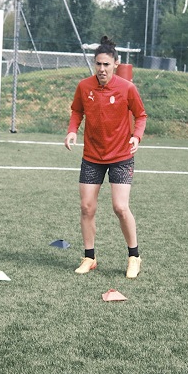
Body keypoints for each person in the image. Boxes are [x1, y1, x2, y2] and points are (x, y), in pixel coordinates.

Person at [64, 36, 147, 279]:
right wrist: (72, 131)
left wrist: (136, 137)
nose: (101, 69)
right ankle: (89, 257)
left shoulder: (127, 88)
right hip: (92, 155)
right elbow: (76, 111)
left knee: (120, 207)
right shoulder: (84, 87)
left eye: (106, 65)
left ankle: (134, 256)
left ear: (116, 64)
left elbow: (141, 115)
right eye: (98, 64)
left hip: (121, 155)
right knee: (86, 207)